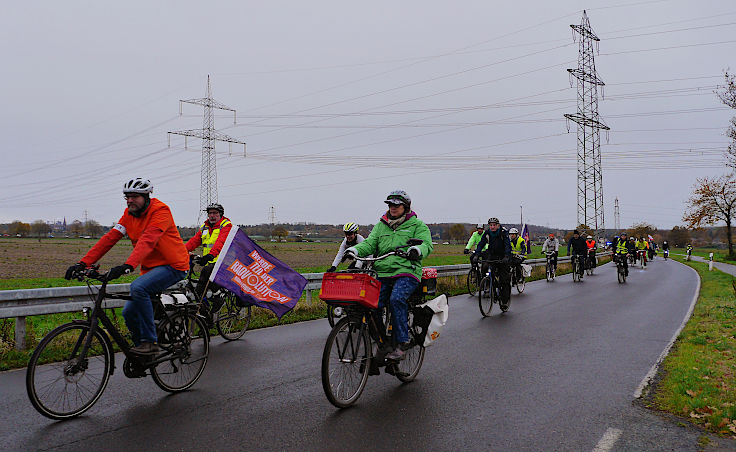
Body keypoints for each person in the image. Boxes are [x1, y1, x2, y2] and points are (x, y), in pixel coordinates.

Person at [65, 178, 189, 355]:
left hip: (174, 265)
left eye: (134, 197)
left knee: (138, 287)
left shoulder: (160, 211)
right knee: (129, 313)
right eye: (127, 197)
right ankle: (141, 353)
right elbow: (110, 238)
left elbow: (148, 239)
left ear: (146, 196)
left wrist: (128, 265)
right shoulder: (128, 214)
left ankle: (150, 342)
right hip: (151, 269)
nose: (130, 200)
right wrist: (83, 263)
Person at [346, 190, 432, 362]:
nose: (392, 208)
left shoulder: (417, 225)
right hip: (383, 272)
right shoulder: (381, 225)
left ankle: (402, 342)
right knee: (372, 304)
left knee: (396, 299)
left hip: (406, 271)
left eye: (396, 205)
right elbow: (370, 244)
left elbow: (426, 244)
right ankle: (383, 342)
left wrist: (416, 250)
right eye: (390, 204)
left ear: (405, 207)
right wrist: (354, 250)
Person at [185, 203, 233, 308]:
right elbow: (194, 241)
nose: (212, 215)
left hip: (223, 261)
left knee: (206, 272)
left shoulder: (226, 225)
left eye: (215, 213)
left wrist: (210, 256)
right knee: (198, 291)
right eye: (210, 213)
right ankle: (204, 316)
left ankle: (218, 297)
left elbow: (220, 243)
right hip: (209, 261)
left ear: (220, 214)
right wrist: (180, 251)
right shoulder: (204, 227)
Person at [472, 217, 512, 309]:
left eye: (494, 225)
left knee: (504, 280)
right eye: (490, 225)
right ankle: (488, 284)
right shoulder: (487, 233)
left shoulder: (503, 232)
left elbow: (507, 245)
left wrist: (506, 256)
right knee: (486, 268)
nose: (492, 227)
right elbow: (481, 244)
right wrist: (477, 255)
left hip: (503, 257)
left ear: (498, 225)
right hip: (492, 256)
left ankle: (505, 301)